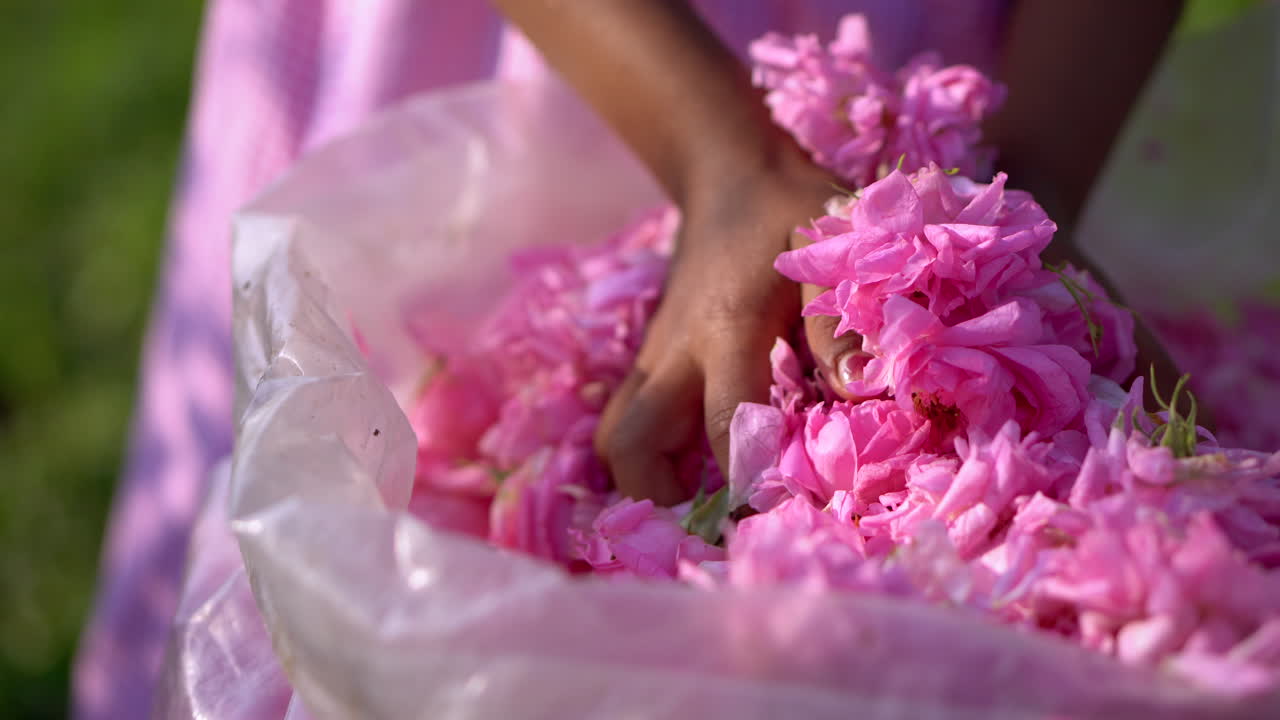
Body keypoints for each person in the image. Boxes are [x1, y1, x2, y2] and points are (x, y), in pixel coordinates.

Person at [72, 2, 1181, 718]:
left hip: (998, 84)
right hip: (562, 42)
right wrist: (721, 151)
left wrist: (1009, 201)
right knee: (355, 461)